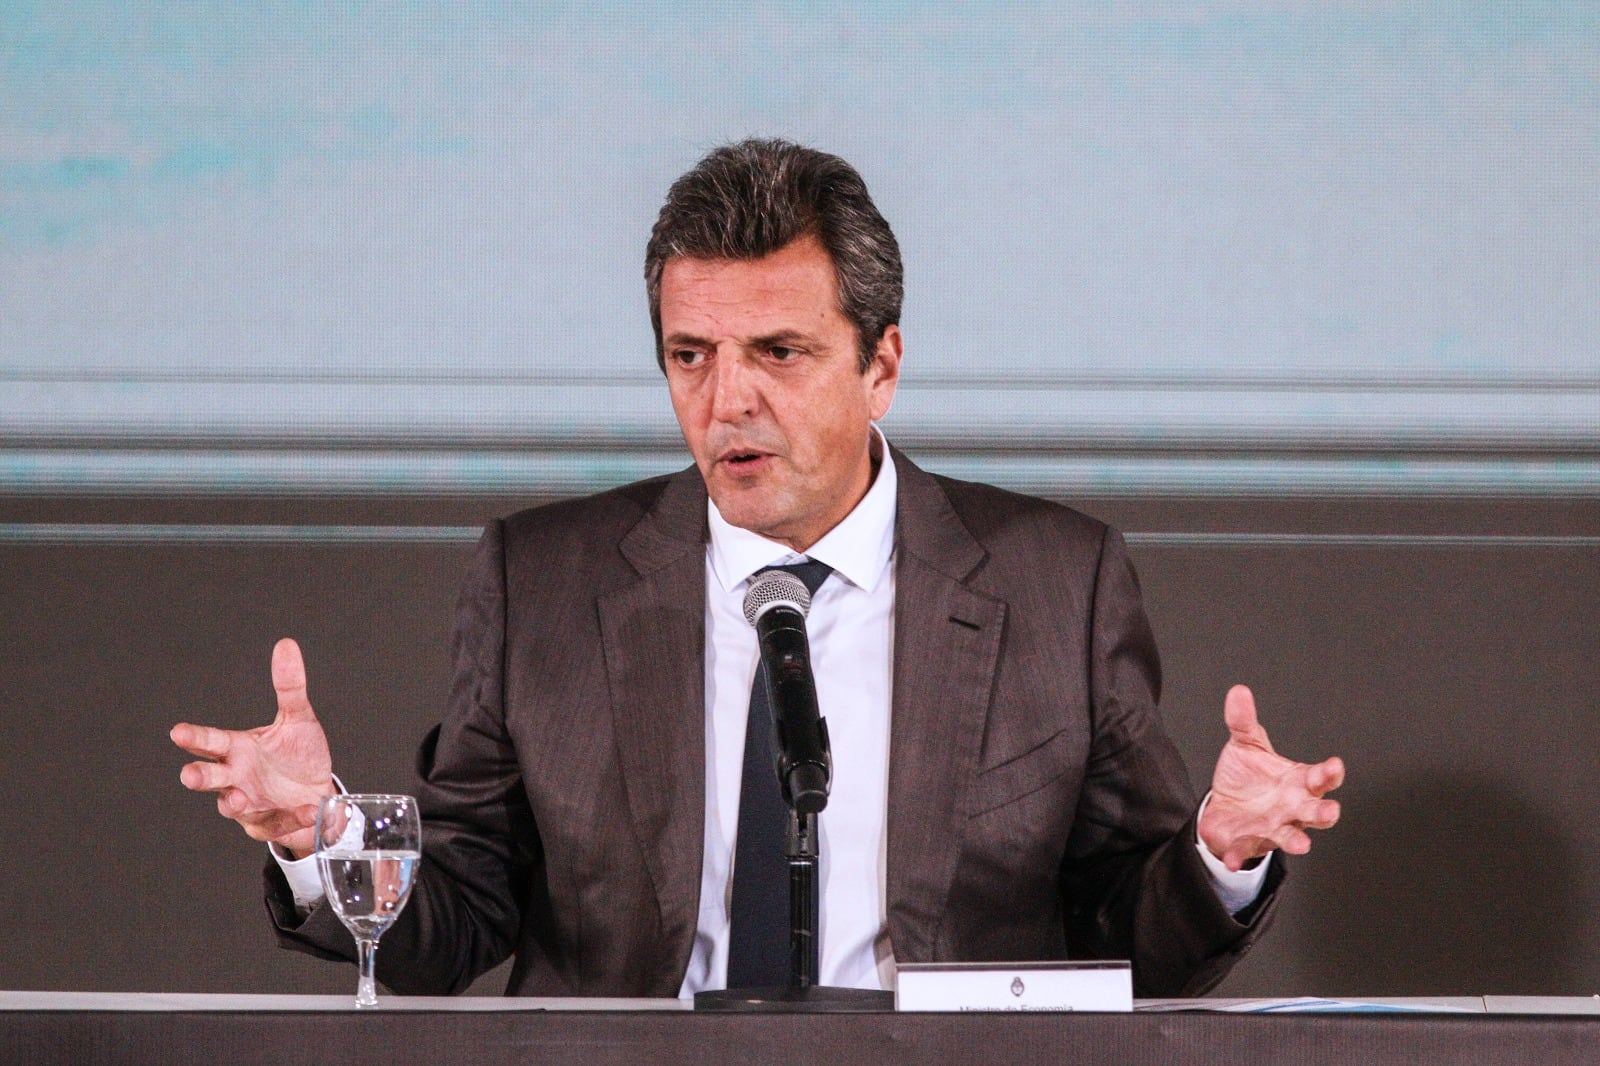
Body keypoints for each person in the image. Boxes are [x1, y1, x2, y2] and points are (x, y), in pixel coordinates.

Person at [171, 139, 1344, 999]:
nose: (727, 399)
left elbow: (1127, 938)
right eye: (691, 355)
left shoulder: (1055, 582)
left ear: (881, 366)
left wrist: (1217, 854)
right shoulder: (542, 582)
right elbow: (463, 912)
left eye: (779, 352)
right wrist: (323, 835)